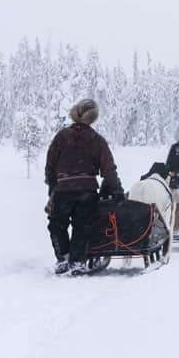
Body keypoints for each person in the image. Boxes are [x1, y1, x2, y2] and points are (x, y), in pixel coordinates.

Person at [45, 98, 124, 274]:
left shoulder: (61, 137)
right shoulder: (97, 140)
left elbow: (50, 164)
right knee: (83, 226)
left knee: (57, 224)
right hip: (87, 190)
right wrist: (117, 189)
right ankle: (77, 261)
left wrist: (51, 186)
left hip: (63, 189)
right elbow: (108, 169)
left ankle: (63, 257)